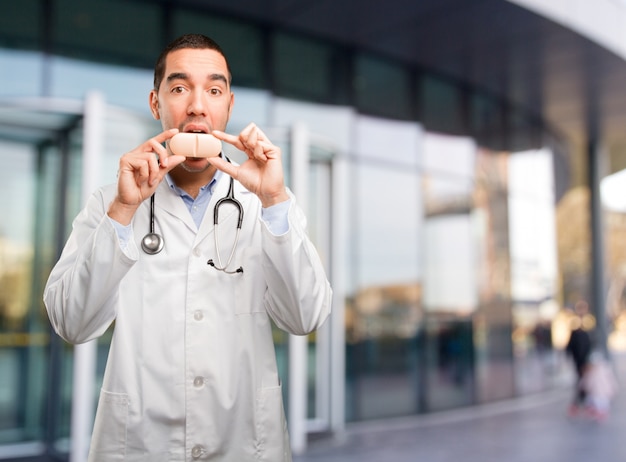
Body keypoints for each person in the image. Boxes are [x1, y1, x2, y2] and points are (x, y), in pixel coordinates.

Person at [43, 33, 332, 461]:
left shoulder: (263, 204)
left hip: (244, 445)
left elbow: (306, 316)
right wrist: (123, 211)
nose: (197, 105)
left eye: (214, 90)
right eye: (179, 88)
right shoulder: (112, 201)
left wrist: (274, 201)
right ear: (156, 103)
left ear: (228, 106)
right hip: (140, 446)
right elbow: (71, 322)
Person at [565, 301, 593, 416]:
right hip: (579, 360)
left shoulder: (589, 322)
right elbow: (571, 345)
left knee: (585, 381)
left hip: (586, 359)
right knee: (582, 381)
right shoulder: (574, 324)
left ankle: (583, 402)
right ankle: (579, 403)